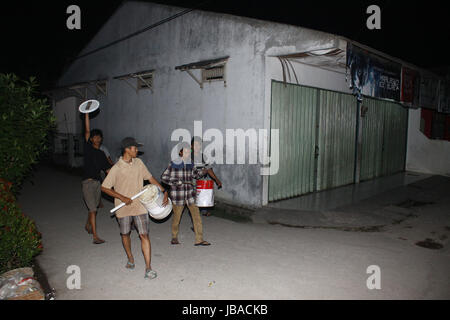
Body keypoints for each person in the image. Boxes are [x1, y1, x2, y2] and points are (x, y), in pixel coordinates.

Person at [101, 137, 168, 280]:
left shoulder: (139, 163)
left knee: (144, 235)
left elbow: (150, 178)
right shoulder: (116, 168)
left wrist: (163, 190)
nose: (137, 150)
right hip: (123, 208)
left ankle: (148, 268)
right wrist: (122, 197)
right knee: (125, 234)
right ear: (127, 149)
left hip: (140, 206)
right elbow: (104, 187)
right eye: (135, 148)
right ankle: (130, 257)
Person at [161, 142, 211, 246]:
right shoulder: (173, 163)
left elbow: (195, 175)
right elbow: (164, 177)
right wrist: (176, 182)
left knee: (196, 216)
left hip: (190, 194)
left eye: (189, 151)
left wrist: (203, 171)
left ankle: (199, 239)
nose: (188, 153)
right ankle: (174, 237)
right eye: (186, 151)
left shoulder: (190, 163)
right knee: (177, 217)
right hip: (178, 195)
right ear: (180, 152)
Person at [82, 113, 112, 244]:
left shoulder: (102, 154)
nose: (97, 138)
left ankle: (88, 225)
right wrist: (87, 114)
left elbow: (108, 170)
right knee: (93, 209)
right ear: (91, 139)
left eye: (99, 137)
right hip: (87, 183)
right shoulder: (88, 148)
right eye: (95, 136)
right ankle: (95, 236)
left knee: (93, 208)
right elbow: (87, 130)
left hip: (98, 183)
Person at [191, 136, 222, 216]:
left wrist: (216, 180)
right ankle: (194, 214)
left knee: (204, 193)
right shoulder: (188, 157)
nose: (197, 147)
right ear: (191, 146)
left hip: (200, 183)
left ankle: (202, 210)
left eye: (199, 145)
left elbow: (209, 169)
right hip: (190, 183)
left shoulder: (203, 157)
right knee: (193, 202)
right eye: (195, 145)